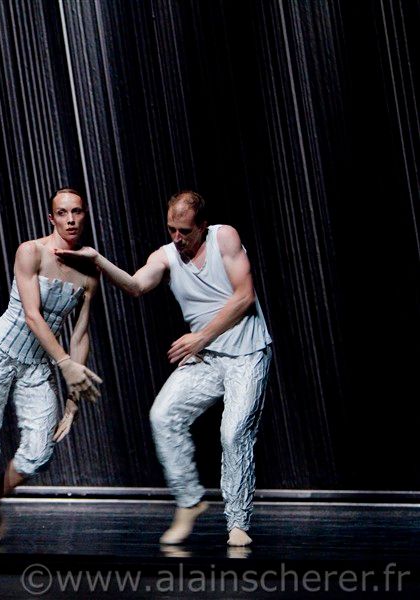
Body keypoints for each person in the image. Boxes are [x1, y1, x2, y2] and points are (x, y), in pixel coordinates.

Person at [56, 191, 272, 547]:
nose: (177, 237)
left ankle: (237, 522)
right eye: (171, 229)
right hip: (205, 357)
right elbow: (136, 285)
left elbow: (244, 296)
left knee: (234, 434)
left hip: (246, 353)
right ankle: (189, 500)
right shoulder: (166, 255)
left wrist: (200, 337)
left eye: (185, 231)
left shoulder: (224, 238)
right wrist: (98, 260)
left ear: (203, 225)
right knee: (163, 415)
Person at [0, 187, 103, 546]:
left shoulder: (90, 272)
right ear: (51, 218)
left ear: (85, 215)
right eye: (63, 213)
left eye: (77, 212)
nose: (70, 220)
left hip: (36, 365)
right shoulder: (31, 251)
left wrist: (73, 398)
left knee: (39, 453)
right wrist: (64, 364)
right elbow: (31, 315)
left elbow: (81, 334)